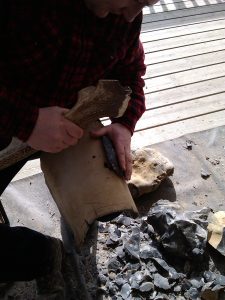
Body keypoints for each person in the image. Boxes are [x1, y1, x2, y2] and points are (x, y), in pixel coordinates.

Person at [0, 0, 158, 298]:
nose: (134, 14)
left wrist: (124, 123)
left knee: (102, 206)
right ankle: (46, 256)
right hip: (7, 127)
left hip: (71, 123)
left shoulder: (123, 14)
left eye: (147, 3)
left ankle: (74, 245)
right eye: (135, 0)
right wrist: (27, 121)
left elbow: (132, 72)